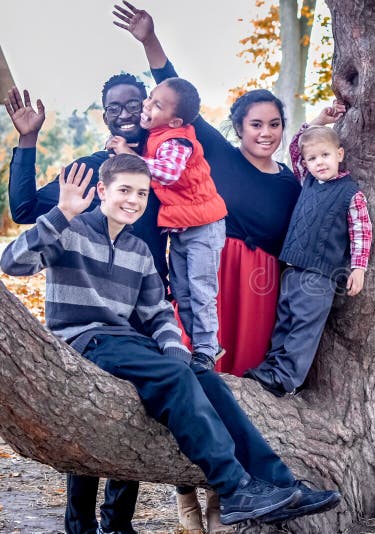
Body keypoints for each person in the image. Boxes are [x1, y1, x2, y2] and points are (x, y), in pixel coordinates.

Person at [0, 155, 341, 527]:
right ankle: (233, 486)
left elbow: (158, 312)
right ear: (101, 191)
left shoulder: (138, 250)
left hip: (125, 342)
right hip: (85, 341)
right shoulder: (70, 231)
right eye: (124, 190)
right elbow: (12, 263)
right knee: (175, 377)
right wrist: (61, 213)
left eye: (142, 193)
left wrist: (177, 350)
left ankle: (279, 483)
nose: (133, 200)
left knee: (205, 377)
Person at [113, 3, 303, 529]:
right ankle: (188, 500)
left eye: (274, 124)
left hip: (262, 290)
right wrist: (150, 42)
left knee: (239, 388)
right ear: (238, 126)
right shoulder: (216, 154)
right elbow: (177, 99)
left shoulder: (292, 180)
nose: (264, 132)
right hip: (212, 276)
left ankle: (231, 501)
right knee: (200, 376)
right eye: (255, 123)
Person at [3, 75, 166, 533]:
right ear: (104, 114)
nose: (126, 112)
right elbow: (24, 209)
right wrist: (29, 139)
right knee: (90, 409)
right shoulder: (90, 170)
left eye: (136, 103)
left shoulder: (168, 164)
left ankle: (118, 522)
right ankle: (79, 523)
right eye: (115, 106)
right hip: (92, 310)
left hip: (145, 305)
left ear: (149, 107)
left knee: (134, 414)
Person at [245, 112, 372, 397]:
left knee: (304, 327)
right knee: (285, 320)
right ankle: (272, 367)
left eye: (325, 155)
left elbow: (362, 233)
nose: (319, 163)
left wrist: (359, 269)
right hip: (291, 268)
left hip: (319, 275)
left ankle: (286, 378)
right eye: (312, 159)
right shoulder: (309, 181)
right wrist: (318, 121)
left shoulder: (351, 193)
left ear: (339, 154)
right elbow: (295, 146)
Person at [107, 76, 228, 371]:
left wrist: (128, 155)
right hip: (182, 228)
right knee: (182, 291)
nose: (147, 106)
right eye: (150, 98)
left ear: (174, 121)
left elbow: (167, 173)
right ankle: (205, 344)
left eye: (156, 105)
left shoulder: (177, 140)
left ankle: (205, 350)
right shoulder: (157, 135)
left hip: (204, 227)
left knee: (200, 289)